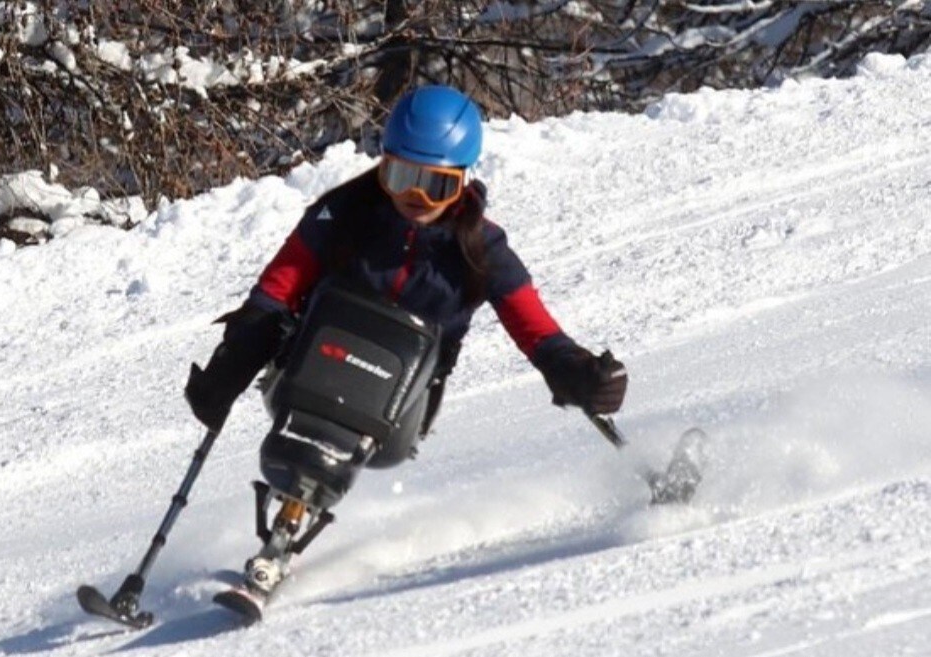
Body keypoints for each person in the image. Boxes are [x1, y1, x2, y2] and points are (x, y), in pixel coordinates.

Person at [183, 85, 627, 614]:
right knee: (309, 418)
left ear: (462, 182)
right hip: (306, 376)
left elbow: (533, 325)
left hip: (398, 404)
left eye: (435, 185)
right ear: (383, 166)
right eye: (400, 178)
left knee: (364, 397)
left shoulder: (481, 249)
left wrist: (575, 370)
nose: (415, 198)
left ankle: (288, 531)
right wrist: (230, 368)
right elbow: (277, 289)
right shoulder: (343, 213)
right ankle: (279, 543)